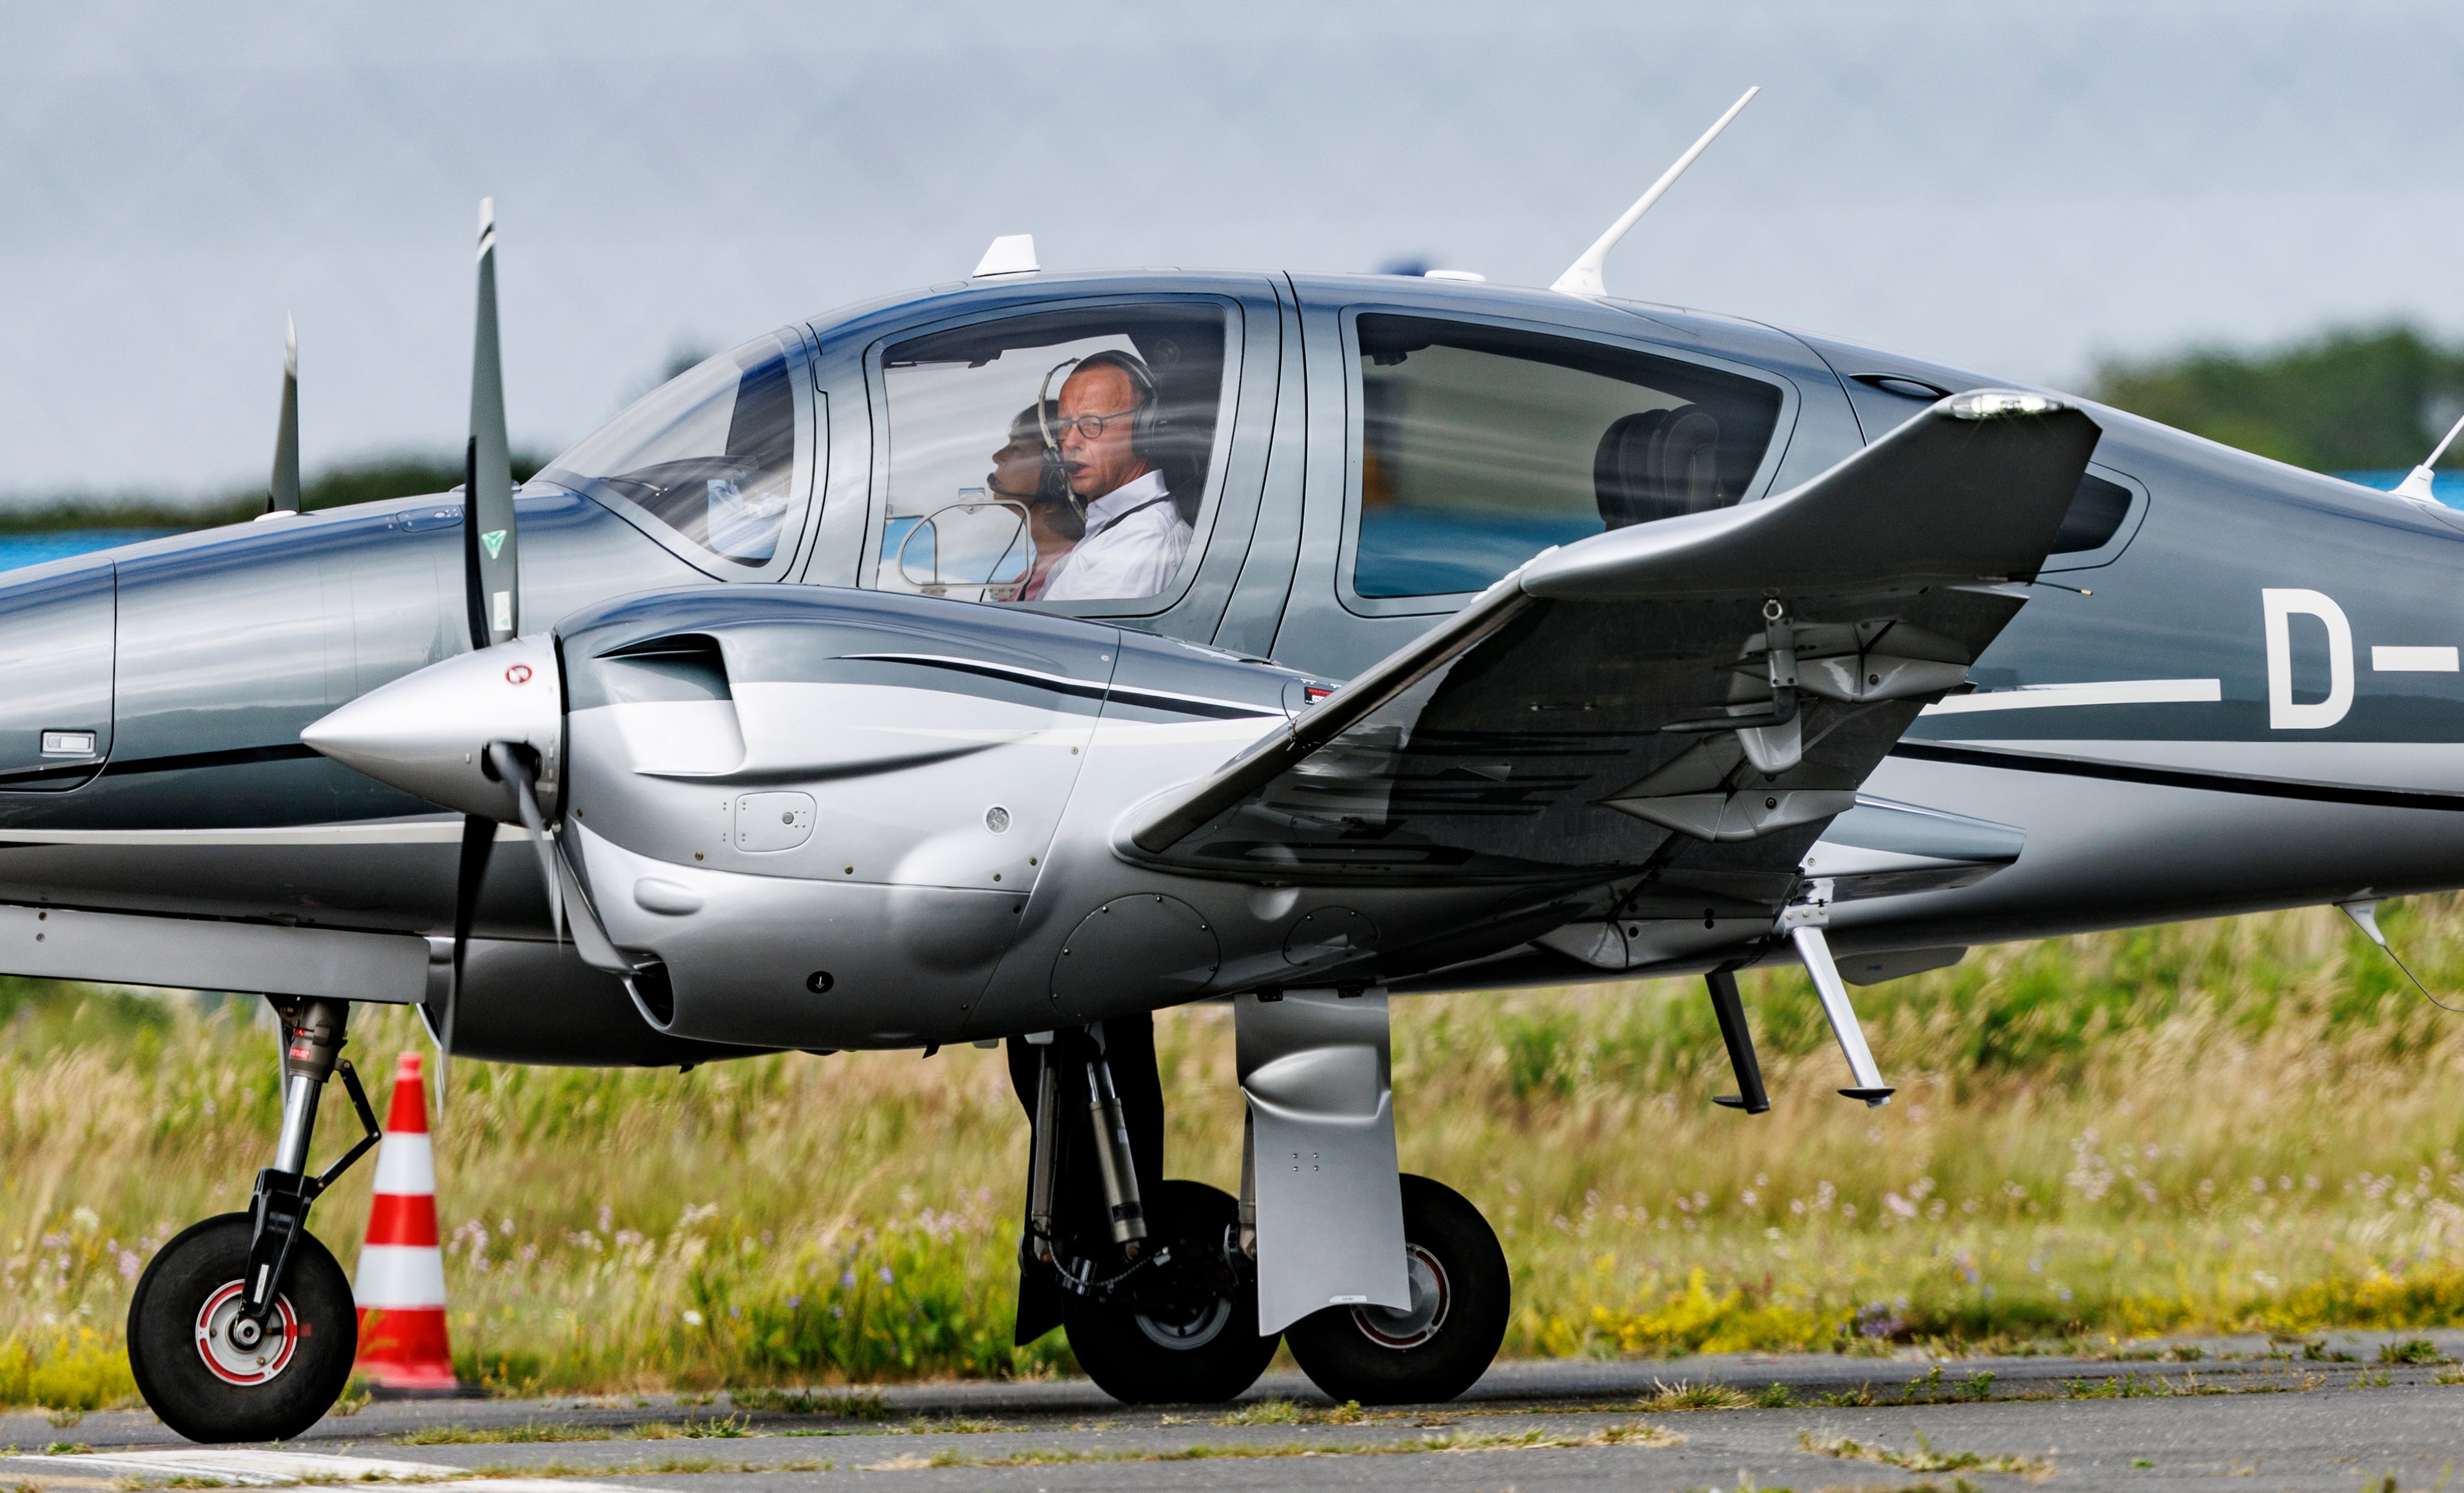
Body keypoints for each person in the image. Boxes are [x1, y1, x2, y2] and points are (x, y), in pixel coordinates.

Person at [1036, 351, 1192, 602]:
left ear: (1145, 430)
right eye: (1065, 426)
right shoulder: (1115, 528)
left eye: (1092, 424)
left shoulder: (1142, 542)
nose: (1071, 442)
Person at [982, 402, 1082, 600]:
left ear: (1057, 477)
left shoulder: (1075, 577)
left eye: (1016, 448)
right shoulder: (1025, 583)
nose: (997, 457)